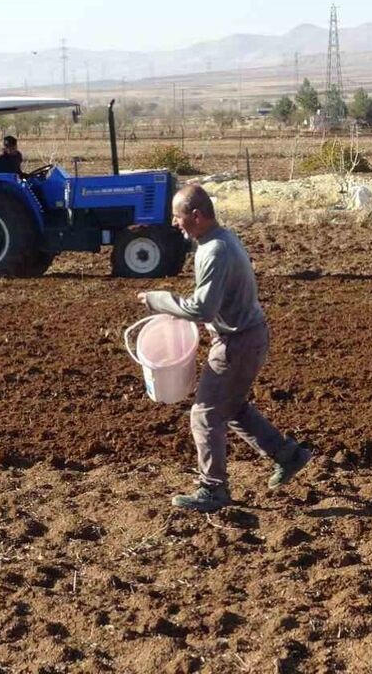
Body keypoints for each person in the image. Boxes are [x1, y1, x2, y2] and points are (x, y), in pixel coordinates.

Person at [137, 184, 312, 512]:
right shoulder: (220, 240)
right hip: (248, 336)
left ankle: (213, 489)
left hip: (237, 343)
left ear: (196, 216)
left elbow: (202, 309)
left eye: (177, 217)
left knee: (204, 415)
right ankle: (289, 455)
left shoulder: (215, 250)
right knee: (230, 407)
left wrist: (158, 300)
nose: (175, 224)